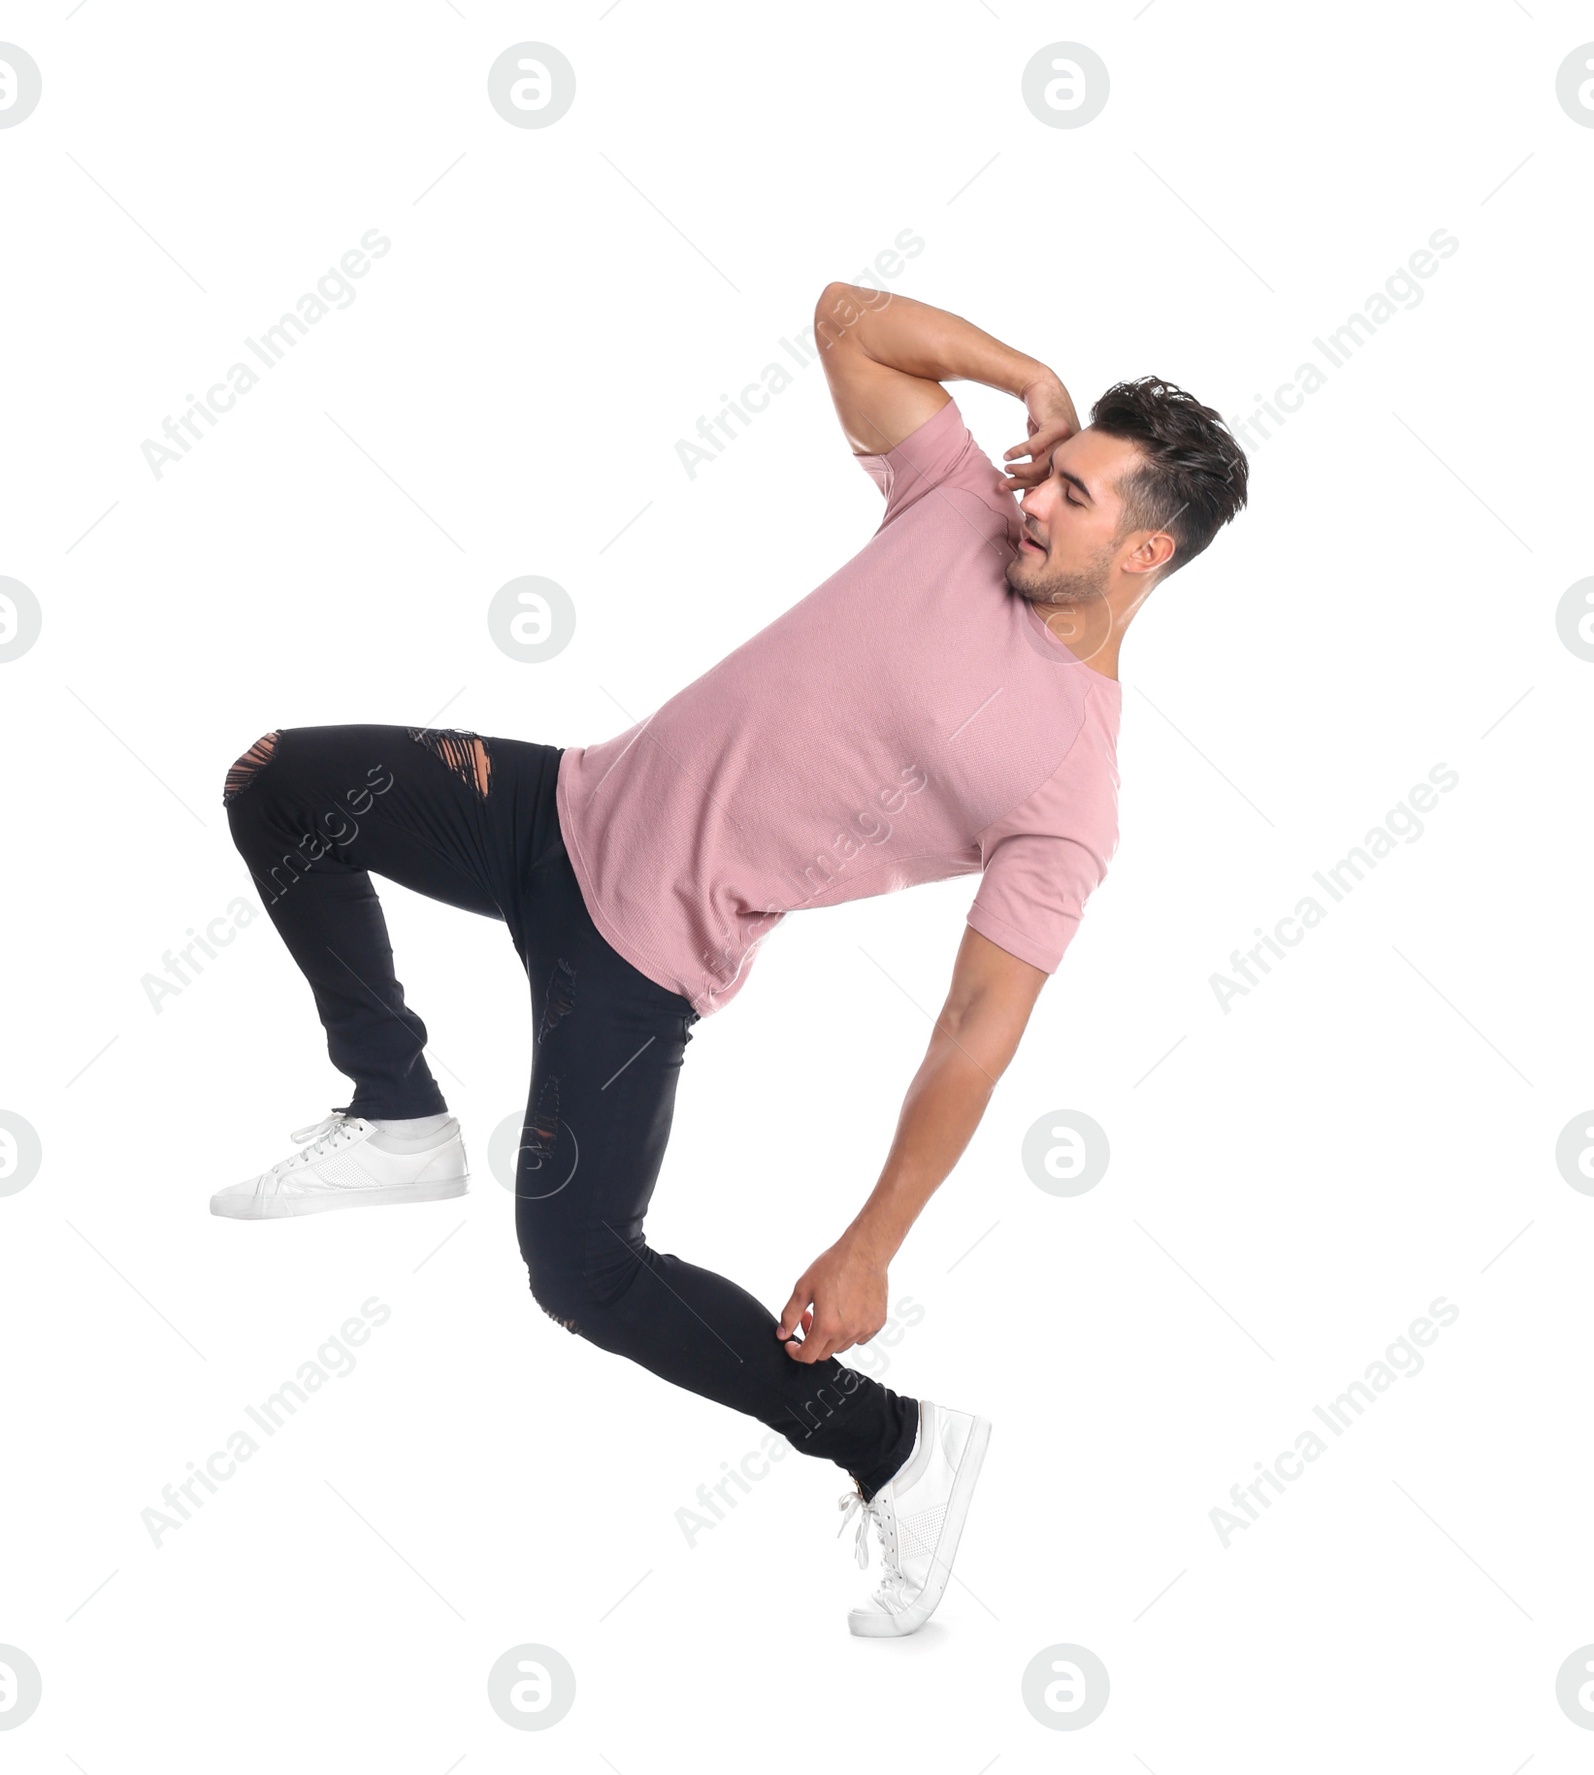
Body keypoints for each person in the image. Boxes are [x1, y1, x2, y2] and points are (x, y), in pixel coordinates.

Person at [211, 281, 1249, 1637]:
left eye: (1080, 497)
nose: (1038, 498)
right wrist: (1036, 383)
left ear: (1146, 557)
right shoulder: (961, 509)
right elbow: (847, 320)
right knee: (278, 783)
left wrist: (875, 1243)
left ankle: (896, 1448)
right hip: (554, 806)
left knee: (579, 1273)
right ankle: (396, 1109)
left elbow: (979, 1027)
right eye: (1050, 474)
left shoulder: (1069, 784)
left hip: (637, 958)